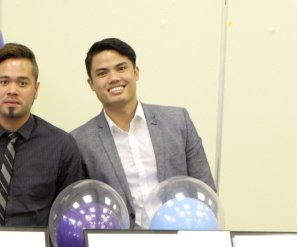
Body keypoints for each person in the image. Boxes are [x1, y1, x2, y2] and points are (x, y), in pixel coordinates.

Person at [71, 38, 216, 228]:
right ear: (91, 83)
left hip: (180, 236)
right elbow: (83, 210)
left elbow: (204, 188)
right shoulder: (79, 141)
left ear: (136, 72)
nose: (113, 78)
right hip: (119, 242)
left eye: (121, 68)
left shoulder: (178, 121)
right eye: (102, 73)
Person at [0, 43, 84, 227]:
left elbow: (70, 214)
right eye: (4, 82)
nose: (12, 90)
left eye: (22, 83)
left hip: (37, 246)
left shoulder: (62, 145)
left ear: (36, 89)